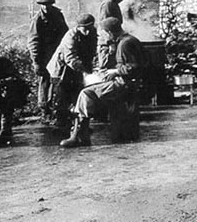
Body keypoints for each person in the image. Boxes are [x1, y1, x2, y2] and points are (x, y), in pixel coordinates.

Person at [61, 17, 144, 148]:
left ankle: (78, 134)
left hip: (123, 83)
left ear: (110, 32)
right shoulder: (129, 40)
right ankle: (82, 132)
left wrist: (115, 71)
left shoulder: (124, 44)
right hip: (127, 82)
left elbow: (133, 67)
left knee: (86, 93)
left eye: (105, 33)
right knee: (92, 87)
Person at [47, 14, 97, 132]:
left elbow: (93, 51)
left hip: (79, 67)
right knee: (61, 95)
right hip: (62, 68)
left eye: (90, 28)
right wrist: (85, 72)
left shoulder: (92, 33)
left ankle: (78, 124)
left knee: (79, 93)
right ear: (78, 27)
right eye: (85, 29)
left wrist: (92, 67)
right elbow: (70, 58)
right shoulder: (70, 36)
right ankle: (60, 124)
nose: (88, 32)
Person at [27, 0, 68, 121]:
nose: (45, 7)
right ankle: (45, 111)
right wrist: (37, 62)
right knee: (45, 83)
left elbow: (65, 34)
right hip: (43, 56)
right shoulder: (37, 19)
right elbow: (33, 42)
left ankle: (57, 109)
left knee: (58, 81)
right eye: (43, 5)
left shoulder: (58, 15)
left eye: (48, 4)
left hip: (57, 55)